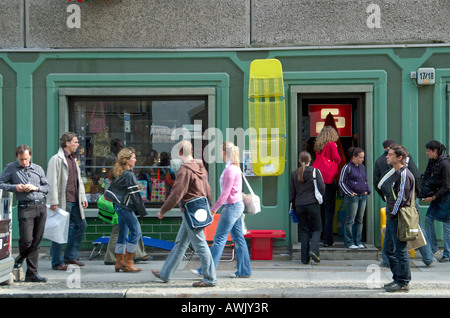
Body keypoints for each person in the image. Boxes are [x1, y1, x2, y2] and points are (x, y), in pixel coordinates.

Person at [152, 140, 216, 287]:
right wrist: (210, 208)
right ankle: (165, 274)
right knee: (180, 243)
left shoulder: (184, 170)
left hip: (190, 210)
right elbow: (208, 189)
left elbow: (176, 194)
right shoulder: (201, 167)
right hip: (199, 209)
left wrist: (163, 210)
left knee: (200, 245)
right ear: (191, 151)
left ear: (180, 153)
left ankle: (210, 278)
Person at [193, 142, 251, 278]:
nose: (219, 153)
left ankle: (206, 270)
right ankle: (245, 271)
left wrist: (213, 210)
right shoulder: (235, 168)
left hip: (231, 207)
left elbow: (225, 193)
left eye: (220, 150)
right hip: (236, 206)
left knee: (219, 238)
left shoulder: (230, 170)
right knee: (238, 239)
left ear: (224, 152)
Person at [376, 140, 436, 267]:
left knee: (391, 232)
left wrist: (386, 198)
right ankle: (428, 257)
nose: (388, 156)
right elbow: (416, 176)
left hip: (392, 201)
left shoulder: (380, 161)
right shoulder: (406, 160)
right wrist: (418, 194)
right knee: (416, 227)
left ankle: (387, 260)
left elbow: (377, 183)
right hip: (408, 201)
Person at [0, 145, 50, 282]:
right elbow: (1, 183)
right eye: (21, 159)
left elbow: (47, 187)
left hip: (40, 206)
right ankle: (21, 256)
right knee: (27, 240)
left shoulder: (38, 168)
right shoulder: (11, 168)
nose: (24, 162)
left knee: (37, 240)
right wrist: (15, 187)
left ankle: (32, 274)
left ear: (30, 156)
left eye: (26, 159)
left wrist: (36, 187)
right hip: (25, 207)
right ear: (17, 157)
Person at [47, 132, 88, 270]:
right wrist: (53, 201)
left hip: (74, 200)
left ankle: (70, 256)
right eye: (75, 142)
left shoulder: (73, 159)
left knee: (81, 224)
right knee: (59, 230)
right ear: (67, 143)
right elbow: (51, 181)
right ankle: (57, 262)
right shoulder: (56, 159)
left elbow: (78, 181)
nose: (77, 145)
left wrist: (82, 197)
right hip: (62, 201)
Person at [104, 147, 146, 272]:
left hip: (118, 206)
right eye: (133, 158)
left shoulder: (119, 172)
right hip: (125, 207)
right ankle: (128, 261)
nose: (136, 160)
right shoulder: (129, 175)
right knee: (136, 232)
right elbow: (136, 196)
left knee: (122, 234)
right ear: (127, 160)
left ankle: (119, 261)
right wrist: (142, 211)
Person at [383, 144, 413, 292]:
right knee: (388, 249)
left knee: (400, 250)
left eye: (390, 154)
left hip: (398, 217)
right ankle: (397, 278)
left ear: (399, 157)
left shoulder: (403, 174)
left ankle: (403, 281)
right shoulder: (396, 173)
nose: (387, 156)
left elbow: (401, 198)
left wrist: (393, 214)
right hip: (392, 217)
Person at [290, 151, 325, 264]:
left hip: (300, 205)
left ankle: (304, 259)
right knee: (317, 228)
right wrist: (320, 197)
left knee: (304, 231)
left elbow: (292, 192)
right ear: (310, 160)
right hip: (313, 204)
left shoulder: (294, 173)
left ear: (299, 161)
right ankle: (314, 250)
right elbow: (322, 186)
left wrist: (293, 205)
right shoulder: (315, 171)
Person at [312, 126, 341, 247]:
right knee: (329, 210)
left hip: (318, 180)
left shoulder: (318, 146)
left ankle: (318, 235)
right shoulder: (331, 144)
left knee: (320, 208)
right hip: (328, 181)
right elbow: (337, 159)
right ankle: (327, 238)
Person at [422, 140, 450, 263]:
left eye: (428, 151)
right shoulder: (432, 161)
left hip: (446, 195)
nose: (426, 153)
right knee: (428, 218)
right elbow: (427, 175)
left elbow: (447, 185)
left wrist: (433, 197)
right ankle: (432, 248)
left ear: (435, 151)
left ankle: (447, 254)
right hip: (437, 194)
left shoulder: (445, 164)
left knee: (447, 223)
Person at [338, 147, 370, 249]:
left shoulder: (362, 167)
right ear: (354, 157)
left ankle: (358, 241)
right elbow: (341, 182)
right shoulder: (347, 167)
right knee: (350, 220)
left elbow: (365, 180)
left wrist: (367, 190)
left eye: (363, 157)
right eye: (360, 157)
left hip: (362, 196)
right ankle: (349, 242)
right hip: (353, 197)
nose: (362, 159)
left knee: (360, 220)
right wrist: (350, 193)